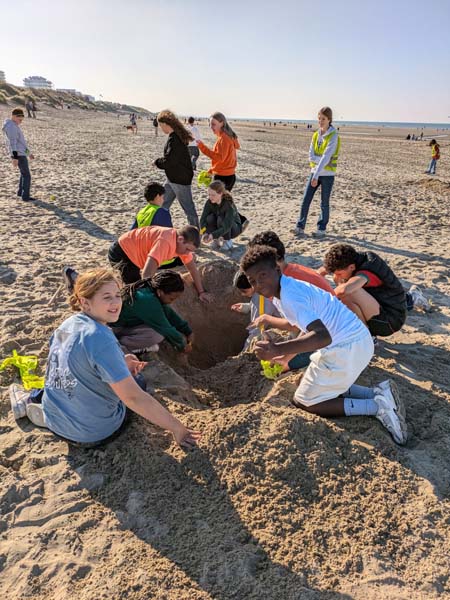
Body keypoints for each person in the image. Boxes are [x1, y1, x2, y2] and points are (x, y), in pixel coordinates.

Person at [240, 245, 407, 445]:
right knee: (314, 384)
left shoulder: (290, 296)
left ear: (277, 270)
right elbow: (300, 323)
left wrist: (278, 349)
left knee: (306, 401)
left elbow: (322, 336)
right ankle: (375, 393)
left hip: (346, 348)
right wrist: (282, 347)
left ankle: (376, 406)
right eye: (252, 281)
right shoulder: (283, 289)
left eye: (262, 276)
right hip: (354, 341)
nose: (258, 283)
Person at [27, 268, 200, 447]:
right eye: (107, 297)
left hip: (54, 420)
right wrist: (178, 428)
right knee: (138, 382)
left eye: (117, 295)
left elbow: (66, 361)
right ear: (85, 303)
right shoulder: (100, 338)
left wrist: (121, 361)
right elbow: (133, 398)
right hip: (92, 434)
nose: (116, 302)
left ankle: (35, 401)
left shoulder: (67, 324)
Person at [320, 244, 408, 337]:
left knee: (348, 293)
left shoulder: (368, 269)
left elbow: (344, 290)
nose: (337, 276)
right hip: (381, 305)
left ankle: (367, 338)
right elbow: (321, 271)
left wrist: (322, 300)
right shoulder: (353, 259)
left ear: (352, 267)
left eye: (339, 273)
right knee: (344, 292)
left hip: (390, 321)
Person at [108, 224, 212, 303]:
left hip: (135, 255)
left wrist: (201, 292)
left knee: (139, 287)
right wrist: (153, 299)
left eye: (190, 251)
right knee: (135, 292)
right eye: (187, 249)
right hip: (122, 252)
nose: (188, 253)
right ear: (180, 239)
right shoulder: (165, 242)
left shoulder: (182, 244)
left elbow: (193, 269)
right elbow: (147, 274)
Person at [113, 270, 194, 355]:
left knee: (156, 331)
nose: (171, 302)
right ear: (160, 292)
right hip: (114, 329)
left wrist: (187, 331)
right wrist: (182, 346)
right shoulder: (147, 300)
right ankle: (121, 347)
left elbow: (168, 313)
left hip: (127, 325)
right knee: (157, 335)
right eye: (171, 299)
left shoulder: (152, 289)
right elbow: (166, 329)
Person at [295, 106, 340, 238]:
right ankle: (299, 226)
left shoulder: (333, 135)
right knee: (305, 200)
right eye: (319, 118)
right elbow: (310, 155)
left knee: (324, 203)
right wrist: (317, 164)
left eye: (323, 119)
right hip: (314, 172)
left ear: (329, 119)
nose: (320, 121)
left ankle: (321, 229)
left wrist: (317, 171)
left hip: (327, 175)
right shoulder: (315, 135)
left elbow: (326, 158)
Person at [155, 109, 199, 228]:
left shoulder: (175, 139)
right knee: (162, 205)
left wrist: (157, 162)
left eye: (160, 125)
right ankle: (160, 228)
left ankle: (196, 233)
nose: (160, 128)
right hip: (173, 177)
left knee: (188, 208)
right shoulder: (175, 136)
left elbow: (170, 161)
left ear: (165, 124)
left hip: (180, 178)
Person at [231, 270, 281, 350]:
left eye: (244, 291)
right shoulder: (267, 283)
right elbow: (269, 305)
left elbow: (257, 329)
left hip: (291, 329)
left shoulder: (260, 298)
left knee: (263, 340)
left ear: (252, 285)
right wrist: (248, 306)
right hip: (289, 319)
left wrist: (245, 350)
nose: (242, 294)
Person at [196, 112, 240, 191]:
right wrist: (211, 171)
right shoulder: (226, 137)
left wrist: (202, 147)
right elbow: (224, 160)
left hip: (223, 177)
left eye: (213, 124)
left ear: (222, 123)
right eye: (210, 124)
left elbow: (219, 158)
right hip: (228, 175)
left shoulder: (224, 139)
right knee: (222, 201)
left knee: (215, 201)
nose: (211, 127)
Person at [200, 180, 246, 251]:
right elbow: (203, 219)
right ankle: (216, 240)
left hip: (233, 228)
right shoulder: (209, 202)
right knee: (210, 218)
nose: (210, 197)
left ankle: (227, 241)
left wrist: (212, 235)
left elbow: (227, 226)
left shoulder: (228, 204)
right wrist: (204, 232)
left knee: (221, 218)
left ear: (220, 193)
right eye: (209, 194)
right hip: (219, 226)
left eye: (213, 195)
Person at [2, 108, 35, 201]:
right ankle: (25, 196)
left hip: (20, 153)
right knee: (27, 175)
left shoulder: (13, 125)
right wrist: (15, 157)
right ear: (14, 116)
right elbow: (13, 143)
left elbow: (21, 143)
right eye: (19, 120)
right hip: (18, 154)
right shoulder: (11, 126)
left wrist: (29, 153)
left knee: (23, 173)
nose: (20, 122)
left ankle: (20, 192)